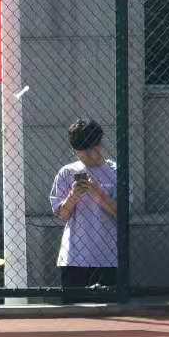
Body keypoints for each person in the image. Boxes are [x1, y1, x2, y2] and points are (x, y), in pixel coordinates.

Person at [49, 118, 118, 297]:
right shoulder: (67, 172)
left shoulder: (116, 172)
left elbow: (122, 213)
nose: (84, 156)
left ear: (99, 145)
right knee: (74, 309)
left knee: (110, 308)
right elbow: (62, 215)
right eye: (80, 152)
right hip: (74, 258)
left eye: (89, 150)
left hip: (109, 257)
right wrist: (74, 195)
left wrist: (97, 192)